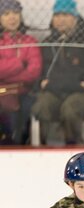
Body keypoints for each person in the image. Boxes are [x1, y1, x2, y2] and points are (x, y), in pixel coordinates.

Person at [32, 0, 84, 145]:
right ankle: (42, 147)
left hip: (82, 94)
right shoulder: (47, 43)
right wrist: (40, 83)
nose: (60, 19)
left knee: (71, 109)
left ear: (75, 17)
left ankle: (73, 147)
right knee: (41, 106)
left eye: (65, 14)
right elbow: (37, 71)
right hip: (53, 93)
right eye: (57, 15)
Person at [0, 0, 41, 144]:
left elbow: (33, 72)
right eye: (6, 14)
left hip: (24, 92)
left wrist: (6, 74)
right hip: (2, 92)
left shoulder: (30, 41)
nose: (12, 17)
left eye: (15, 13)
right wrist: (19, 64)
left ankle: (17, 144)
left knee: (24, 110)